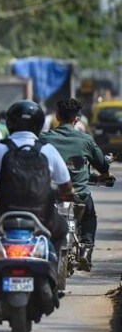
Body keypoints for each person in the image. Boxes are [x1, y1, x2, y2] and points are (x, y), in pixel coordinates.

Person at [0, 100, 73, 252]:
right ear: (39, 124)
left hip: (4, 214)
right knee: (62, 228)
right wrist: (64, 193)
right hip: (42, 215)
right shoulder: (48, 150)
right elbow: (66, 186)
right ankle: (52, 266)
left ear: (10, 122)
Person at [41, 98, 113, 268]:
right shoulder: (86, 140)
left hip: (50, 195)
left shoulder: (44, 139)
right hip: (79, 195)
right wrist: (104, 174)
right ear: (77, 119)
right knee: (89, 216)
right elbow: (102, 165)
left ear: (57, 117)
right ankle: (86, 250)